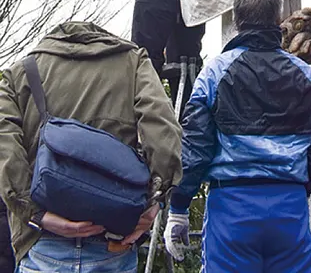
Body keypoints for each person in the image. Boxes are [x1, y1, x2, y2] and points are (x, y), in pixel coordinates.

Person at [164, 0, 311, 273]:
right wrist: (301, 188)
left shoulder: (215, 73)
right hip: (289, 204)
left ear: (239, 22)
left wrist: (179, 208)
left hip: (232, 206)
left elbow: (196, 149)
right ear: (276, 20)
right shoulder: (308, 76)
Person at [0, 21, 182, 273]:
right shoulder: (133, 62)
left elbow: (5, 148)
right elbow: (162, 128)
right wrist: (156, 200)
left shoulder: (19, 73)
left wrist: (35, 213)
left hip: (43, 242)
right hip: (113, 240)